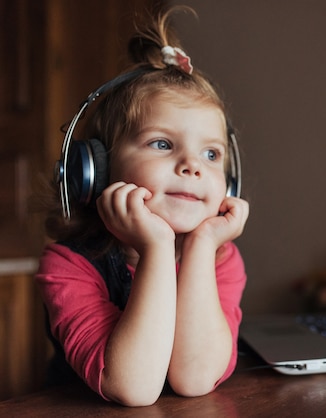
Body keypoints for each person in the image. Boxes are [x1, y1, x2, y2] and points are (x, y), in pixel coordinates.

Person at [35, 6, 249, 407]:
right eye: (163, 144)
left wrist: (201, 247)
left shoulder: (219, 259)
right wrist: (155, 248)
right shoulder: (68, 265)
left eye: (211, 154)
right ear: (98, 170)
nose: (192, 166)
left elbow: (195, 377)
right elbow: (131, 386)